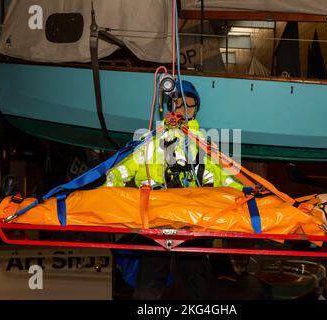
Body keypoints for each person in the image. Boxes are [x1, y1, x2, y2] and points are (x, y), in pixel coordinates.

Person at [104, 80, 242, 299]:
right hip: (156, 222)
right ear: (170, 107)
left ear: (196, 109)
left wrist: (244, 198)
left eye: (190, 105)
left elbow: (228, 179)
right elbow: (121, 171)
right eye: (179, 104)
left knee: (199, 282)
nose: (185, 110)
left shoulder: (206, 145)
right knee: (149, 282)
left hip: (192, 223)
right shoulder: (150, 141)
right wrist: (104, 194)